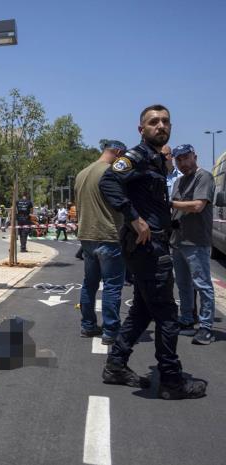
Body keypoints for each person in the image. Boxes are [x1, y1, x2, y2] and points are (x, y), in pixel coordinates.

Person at [99, 104, 206, 399]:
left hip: (153, 245)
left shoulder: (157, 159)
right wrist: (134, 217)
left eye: (165, 121)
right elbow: (108, 181)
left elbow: (151, 199)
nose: (161, 126)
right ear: (141, 129)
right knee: (168, 316)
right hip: (148, 248)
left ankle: (116, 365)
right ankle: (171, 381)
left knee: (142, 310)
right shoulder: (136, 156)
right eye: (154, 122)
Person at [75, 140, 127, 344]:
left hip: (87, 235)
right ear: (118, 153)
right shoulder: (112, 172)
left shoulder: (81, 173)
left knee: (89, 283)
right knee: (112, 285)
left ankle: (87, 325)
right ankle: (110, 330)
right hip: (108, 235)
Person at [169, 144, 216, 345]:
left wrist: (170, 204)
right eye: (179, 159)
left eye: (186, 158)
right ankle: (187, 319)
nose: (183, 163)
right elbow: (175, 210)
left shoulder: (203, 177)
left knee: (202, 285)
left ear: (194, 157)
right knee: (183, 285)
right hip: (178, 241)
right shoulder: (178, 181)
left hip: (196, 241)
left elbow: (198, 205)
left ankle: (206, 327)